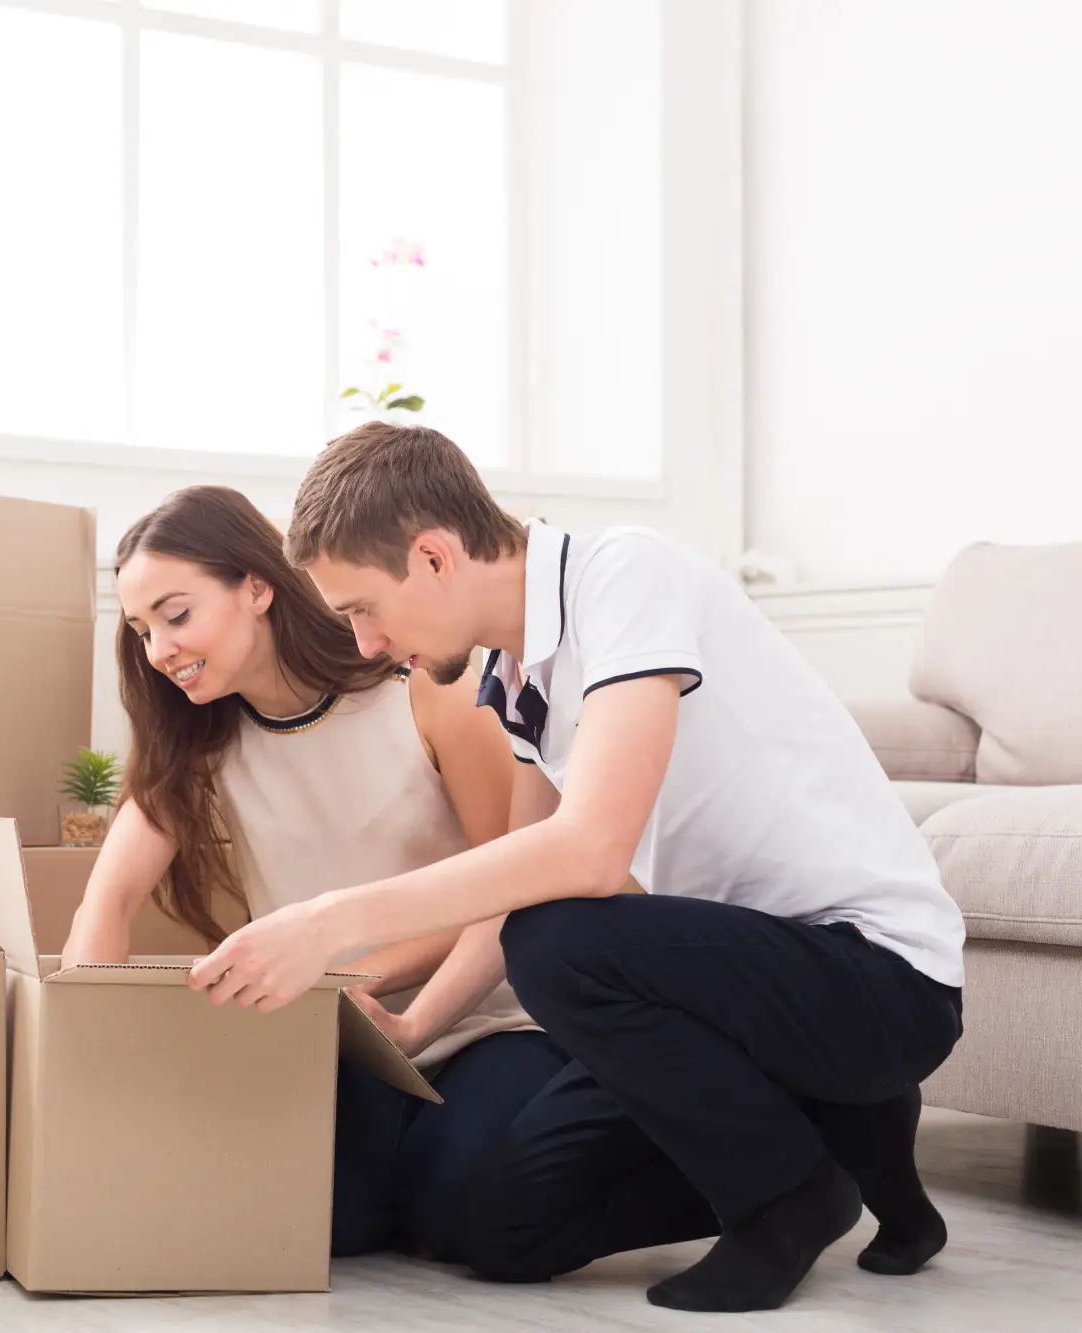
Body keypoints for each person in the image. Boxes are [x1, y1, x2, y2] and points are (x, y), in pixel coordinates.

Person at [188, 424, 966, 1313]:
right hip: (752, 999)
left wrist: (328, 919)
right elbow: (513, 878)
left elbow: (590, 849)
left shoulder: (626, 577)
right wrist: (412, 1030)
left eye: (364, 607)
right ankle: (838, 1134)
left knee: (559, 939)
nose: (363, 642)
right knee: (492, 1222)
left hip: (880, 979)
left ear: (434, 557)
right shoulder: (519, 678)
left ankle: (787, 1194)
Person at [64, 483, 565, 1263]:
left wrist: (366, 981)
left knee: (469, 1208)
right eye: (140, 629)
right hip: (338, 1037)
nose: (158, 649)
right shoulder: (196, 738)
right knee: (327, 1222)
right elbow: (110, 897)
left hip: (482, 1019)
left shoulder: (425, 692)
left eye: (176, 613)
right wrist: (86, 1053)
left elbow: (514, 889)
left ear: (257, 587)